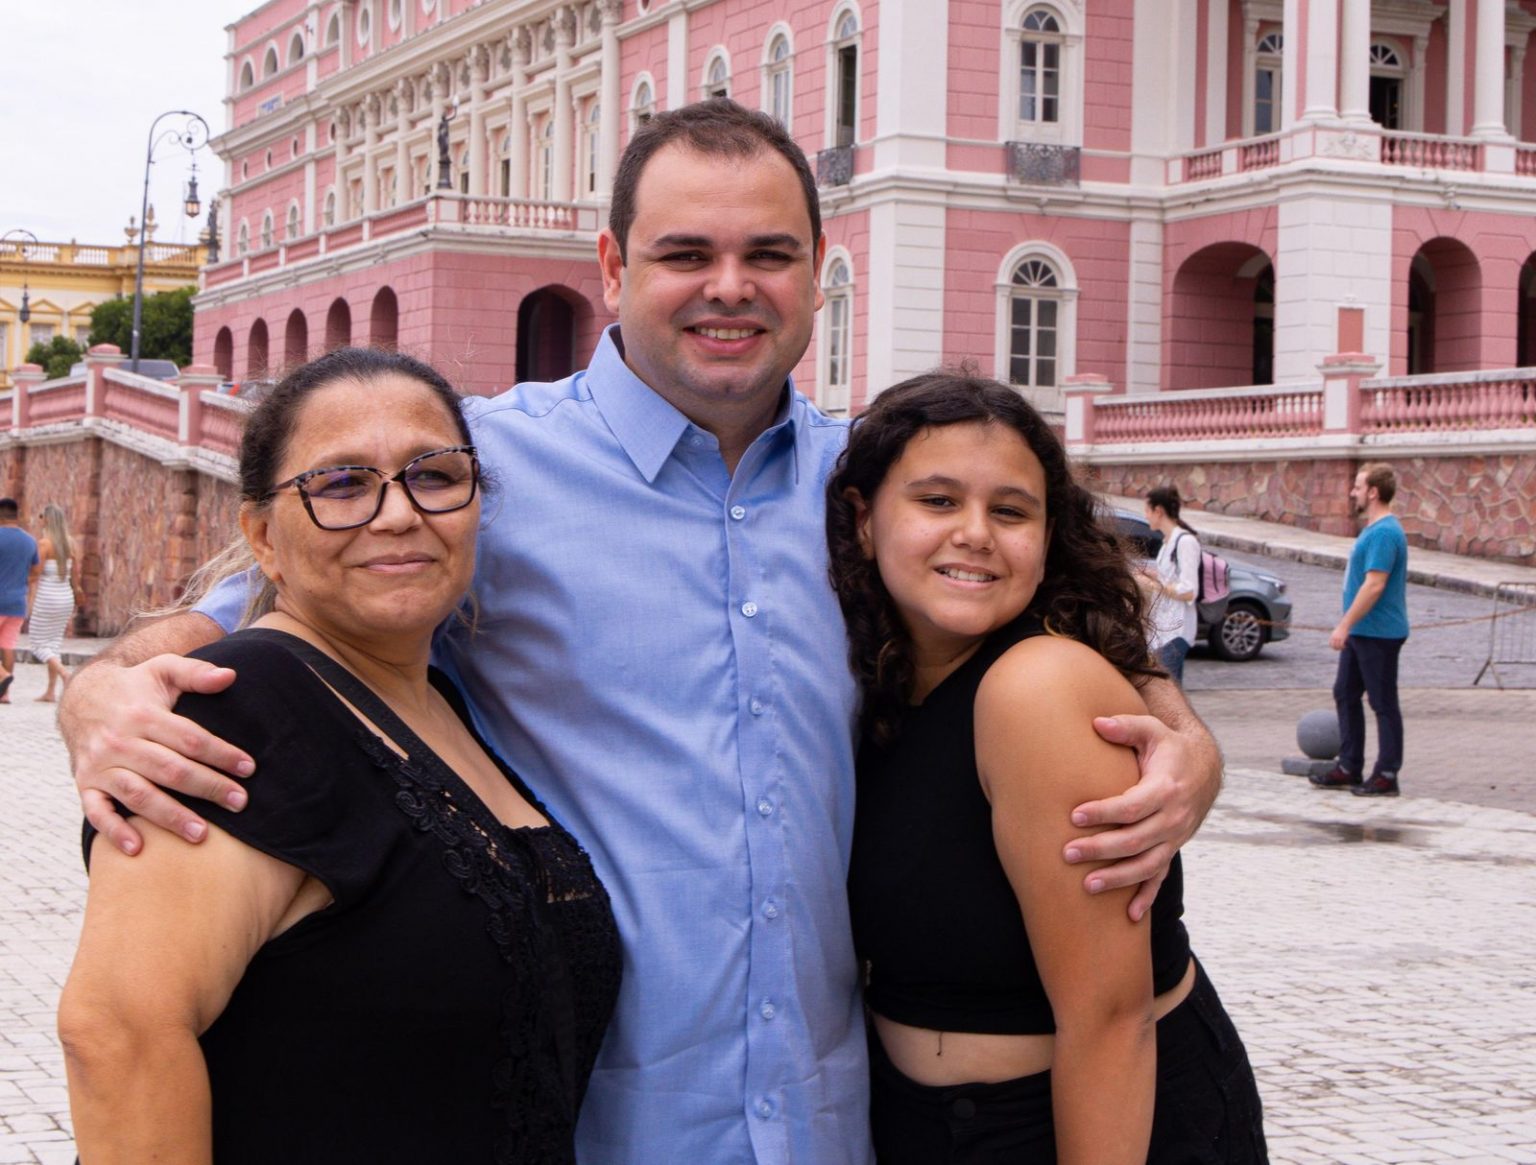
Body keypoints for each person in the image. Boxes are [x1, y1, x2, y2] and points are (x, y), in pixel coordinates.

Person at [59, 99, 1223, 1164]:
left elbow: (1055, 635)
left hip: (842, 1125)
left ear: (818, 272)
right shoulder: (475, 472)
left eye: (769, 254)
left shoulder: (876, 495)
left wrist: (1181, 731)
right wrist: (97, 690)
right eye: (685, 254)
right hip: (612, 1127)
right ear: (613, 267)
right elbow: (266, 614)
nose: (731, 286)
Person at [57, 348, 621, 1163]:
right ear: (262, 536)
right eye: (342, 485)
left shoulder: (439, 705)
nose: (398, 514)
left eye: (433, 474)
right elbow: (115, 1033)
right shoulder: (238, 708)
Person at [830, 372, 1266, 1164]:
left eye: (1010, 510)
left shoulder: (1036, 687)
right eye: (937, 501)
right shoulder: (884, 681)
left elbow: (1109, 1020)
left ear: (1048, 535)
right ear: (864, 520)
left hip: (1074, 1127)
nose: (975, 533)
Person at [1310, 463, 1410, 798]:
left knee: (1382, 703)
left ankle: (1386, 773)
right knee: (1345, 693)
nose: (1353, 491)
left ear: (1373, 492)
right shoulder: (1374, 530)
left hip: (1378, 632)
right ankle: (1350, 765)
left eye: (1358, 486)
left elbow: (1374, 585)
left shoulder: (1384, 533)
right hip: (1363, 632)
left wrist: (1345, 625)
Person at [1140, 485, 1201, 684]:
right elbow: (1170, 579)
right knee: (1170, 688)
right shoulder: (1168, 542)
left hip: (1177, 630)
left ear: (1158, 511)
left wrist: (1155, 586)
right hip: (1164, 628)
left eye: (1147, 510)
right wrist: (1153, 576)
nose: (1146, 516)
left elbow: (1189, 590)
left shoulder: (1185, 542)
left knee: (1166, 690)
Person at [28, 503, 84, 702]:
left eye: (42, 516)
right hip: (65, 598)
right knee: (53, 644)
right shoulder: (71, 544)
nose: (40, 519)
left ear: (48, 520)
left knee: (37, 644)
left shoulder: (44, 543)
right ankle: (50, 691)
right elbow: (75, 576)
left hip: (47, 597)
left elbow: (35, 573)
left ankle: (65, 674)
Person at [0, 497, 40, 704]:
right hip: (18, 602)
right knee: (7, 646)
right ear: (17, 515)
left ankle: (3, 677)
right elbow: (35, 572)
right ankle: (4, 694)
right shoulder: (30, 541)